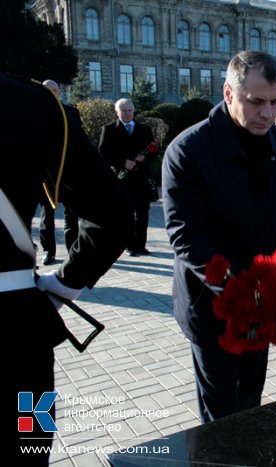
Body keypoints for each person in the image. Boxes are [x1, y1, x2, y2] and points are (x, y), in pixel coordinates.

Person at [162, 50, 276, 423]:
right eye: (256, 102)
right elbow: (187, 238)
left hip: (263, 305)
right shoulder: (187, 151)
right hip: (213, 307)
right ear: (228, 94)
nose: (268, 113)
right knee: (221, 416)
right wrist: (245, 292)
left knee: (251, 401)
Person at [3, 74, 133, 465]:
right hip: (15, 335)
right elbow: (113, 216)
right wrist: (61, 286)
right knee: (28, 448)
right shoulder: (34, 104)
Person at [98, 98, 156, 256]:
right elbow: (103, 153)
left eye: (130, 110)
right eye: (124, 111)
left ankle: (140, 245)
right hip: (123, 180)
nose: (127, 113)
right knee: (127, 214)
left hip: (142, 179)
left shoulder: (144, 129)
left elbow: (153, 151)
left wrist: (145, 158)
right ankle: (130, 245)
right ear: (117, 113)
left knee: (143, 214)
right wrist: (122, 162)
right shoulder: (109, 130)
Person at [38, 80, 81, 265]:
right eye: (48, 91)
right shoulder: (35, 114)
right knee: (46, 216)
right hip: (46, 173)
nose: (53, 94)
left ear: (60, 92)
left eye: (55, 90)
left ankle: (73, 250)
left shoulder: (71, 112)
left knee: (71, 215)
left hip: (68, 170)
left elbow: (79, 141)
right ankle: (49, 251)